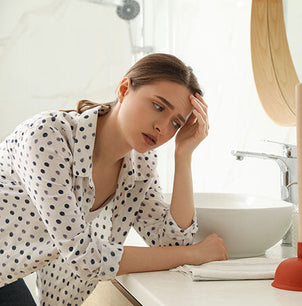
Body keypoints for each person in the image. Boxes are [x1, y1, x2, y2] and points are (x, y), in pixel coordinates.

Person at [0, 53, 228, 305]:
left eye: (176, 123)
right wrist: (194, 253)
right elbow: (83, 256)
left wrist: (184, 154)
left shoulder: (140, 165)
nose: (163, 127)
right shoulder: (47, 137)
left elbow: (171, 244)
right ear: (124, 89)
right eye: (158, 106)